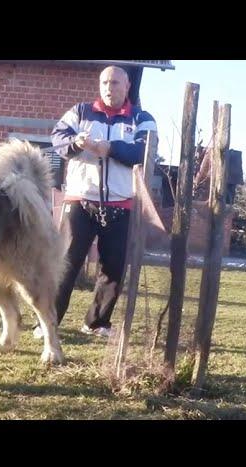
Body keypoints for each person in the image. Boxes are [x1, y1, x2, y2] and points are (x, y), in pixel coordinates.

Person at [35, 65, 157, 339]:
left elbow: (144, 150)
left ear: (127, 87)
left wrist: (110, 149)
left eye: (114, 83)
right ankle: (46, 322)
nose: (108, 88)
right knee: (64, 263)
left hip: (121, 203)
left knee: (113, 268)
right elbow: (58, 138)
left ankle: (97, 323)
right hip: (80, 200)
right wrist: (77, 143)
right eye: (104, 82)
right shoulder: (80, 112)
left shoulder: (142, 117)